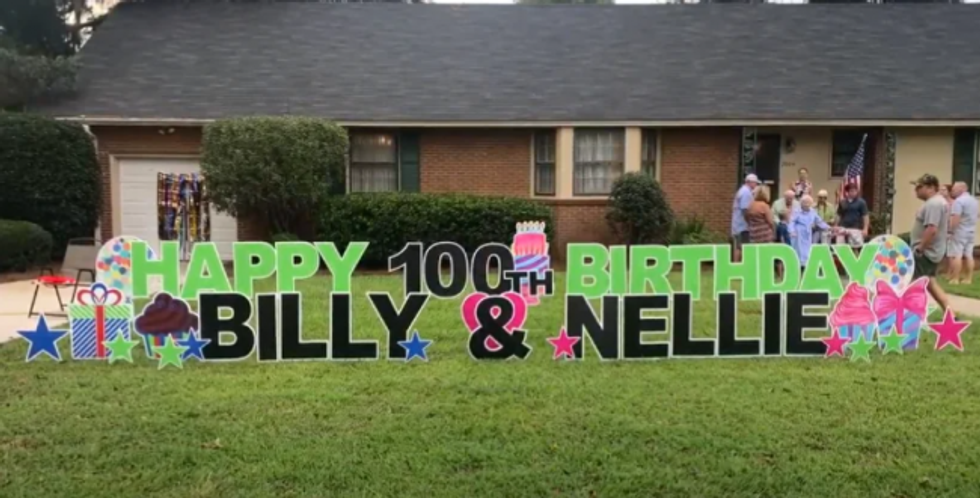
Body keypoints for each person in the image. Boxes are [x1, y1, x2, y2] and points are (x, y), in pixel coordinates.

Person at [910, 174, 952, 312]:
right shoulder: (936, 202)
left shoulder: (934, 204)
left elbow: (932, 228)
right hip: (931, 250)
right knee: (930, 282)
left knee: (915, 283)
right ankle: (950, 314)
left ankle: (913, 314)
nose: (916, 190)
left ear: (931, 188)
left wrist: (921, 248)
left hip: (926, 252)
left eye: (919, 187)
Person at [947, 181, 978, 284]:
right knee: (969, 255)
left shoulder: (959, 201)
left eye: (955, 189)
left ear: (962, 189)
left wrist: (951, 230)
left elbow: (956, 217)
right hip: (971, 230)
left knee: (957, 255)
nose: (952, 191)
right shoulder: (974, 200)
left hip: (960, 231)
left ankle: (955, 278)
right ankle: (968, 279)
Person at [789, 195, 831, 270]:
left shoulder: (812, 211)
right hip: (798, 232)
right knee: (799, 250)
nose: (806, 204)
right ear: (801, 203)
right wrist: (792, 231)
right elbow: (792, 222)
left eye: (808, 203)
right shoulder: (796, 211)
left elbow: (819, 221)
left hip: (808, 233)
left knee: (807, 250)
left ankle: (806, 267)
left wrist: (828, 227)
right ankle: (798, 267)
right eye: (804, 203)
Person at [731, 174, 760, 261]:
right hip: (742, 226)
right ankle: (737, 266)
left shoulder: (742, 191)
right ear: (749, 182)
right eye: (755, 183)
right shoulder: (746, 192)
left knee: (739, 246)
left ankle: (736, 267)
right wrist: (749, 222)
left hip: (738, 224)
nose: (756, 185)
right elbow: (745, 210)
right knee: (741, 247)